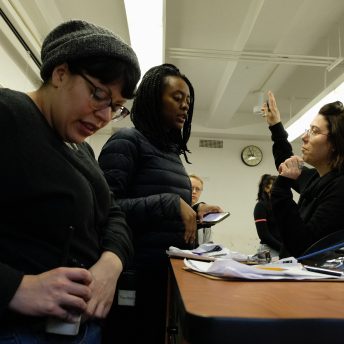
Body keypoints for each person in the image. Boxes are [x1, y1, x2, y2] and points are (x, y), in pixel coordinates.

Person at [0, 19, 141, 343]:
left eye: (116, 107)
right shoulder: (8, 116)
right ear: (60, 74)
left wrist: (111, 262)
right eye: (98, 95)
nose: (106, 116)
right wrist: (14, 287)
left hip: (78, 327)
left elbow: (114, 214)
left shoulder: (81, 149)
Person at [98, 63, 221, 343]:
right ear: (154, 99)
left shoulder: (170, 153)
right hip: (134, 275)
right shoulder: (127, 141)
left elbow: (165, 208)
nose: (185, 107)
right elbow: (104, 209)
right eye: (177, 98)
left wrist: (195, 212)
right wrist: (168, 203)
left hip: (164, 276)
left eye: (188, 101)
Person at [263, 90, 344, 258]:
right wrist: (275, 125)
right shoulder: (318, 178)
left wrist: (280, 190)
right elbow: (285, 162)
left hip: (312, 281)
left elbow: (303, 245)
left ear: (335, 142)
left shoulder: (340, 188)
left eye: (314, 131)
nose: (304, 137)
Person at [254, 174, 281, 258]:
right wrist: (283, 249)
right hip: (270, 250)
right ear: (266, 188)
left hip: (285, 249)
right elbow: (264, 235)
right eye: (275, 185)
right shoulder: (261, 206)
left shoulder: (282, 206)